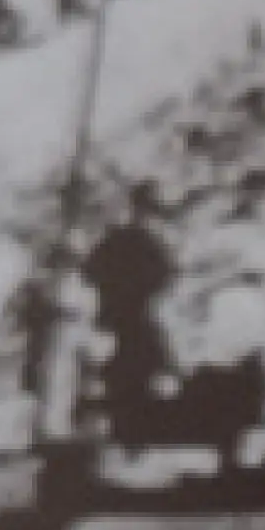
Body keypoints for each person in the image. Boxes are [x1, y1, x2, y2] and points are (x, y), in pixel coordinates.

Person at [81, 182, 183, 431]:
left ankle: (129, 423)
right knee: (122, 370)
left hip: (128, 317)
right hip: (124, 318)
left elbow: (167, 278)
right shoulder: (127, 241)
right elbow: (91, 273)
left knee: (130, 370)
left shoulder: (133, 242)